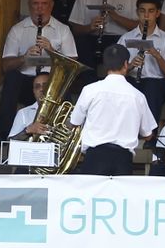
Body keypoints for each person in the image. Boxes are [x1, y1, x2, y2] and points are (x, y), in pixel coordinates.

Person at [0, 0, 79, 140]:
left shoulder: (63, 30)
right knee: (11, 78)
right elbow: (6, 65)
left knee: (64, 85)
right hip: (26, 82)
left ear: (51, 5)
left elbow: (72, 67)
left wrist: (53, 52)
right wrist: (24, 58)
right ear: (29, 5)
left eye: (44, 4)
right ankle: (5, 135)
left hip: (50, 83)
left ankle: (65, 137)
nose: (40, 8)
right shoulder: (17, 30)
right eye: (35, 4)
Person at [67, 43, 156, 177]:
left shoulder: (90, 90)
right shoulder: (137, 96)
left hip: (95, 156)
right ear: (126, 64)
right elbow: (148, 134)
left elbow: (74, 122)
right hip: (123, 158)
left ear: (105, 65)